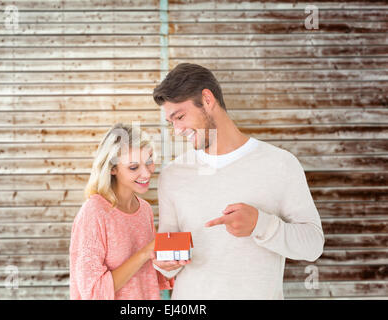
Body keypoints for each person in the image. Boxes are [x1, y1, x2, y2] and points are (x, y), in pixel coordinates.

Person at [152, 63, 325, 299]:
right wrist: (164, 262)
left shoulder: (280, 164)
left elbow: (313, 246)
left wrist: (261, 225)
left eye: (180, 117)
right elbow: (166, 253)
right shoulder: (173, 174)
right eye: (171, 122)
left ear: (207, 99)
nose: (177, 130)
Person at [69, 123, 172, 299]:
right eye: (133, 167)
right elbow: (93, 292)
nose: (146, 174)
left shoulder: (144, 209)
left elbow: (152, 275)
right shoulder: (94, 212)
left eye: (149, 162)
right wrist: (145, 253)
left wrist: (167, 262)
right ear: (113, 168)